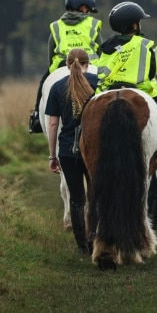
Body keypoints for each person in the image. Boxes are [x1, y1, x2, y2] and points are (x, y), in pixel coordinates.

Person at [96, 1, 157, 157]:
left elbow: (100, 73)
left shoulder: (106, 47)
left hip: (107, 90)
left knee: (88, 108)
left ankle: (78, 140)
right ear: (133, 26)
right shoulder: (143, 44)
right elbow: (151, 72)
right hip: (140, 89)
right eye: (139, 22)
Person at [45, 47, 98, 254]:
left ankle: (82, 245)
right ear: (88, 64)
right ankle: (95, 237)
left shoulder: (57, 87)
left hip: (68, 150)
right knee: (95, 195)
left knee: (77, 198)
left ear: (67, 65)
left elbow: (52, 124)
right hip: (93, 148)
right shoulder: (97, 83)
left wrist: (52, 155)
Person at [29, 0, 103, 134]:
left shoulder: (57, 26)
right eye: (88, 9)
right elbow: (100, 50)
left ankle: (37, 116)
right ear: (83, 7)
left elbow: (51, 53)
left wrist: (53, 68)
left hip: (63, 64)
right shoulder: (93, 24)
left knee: (44, 82)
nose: (88, 12)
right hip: (89, 64)